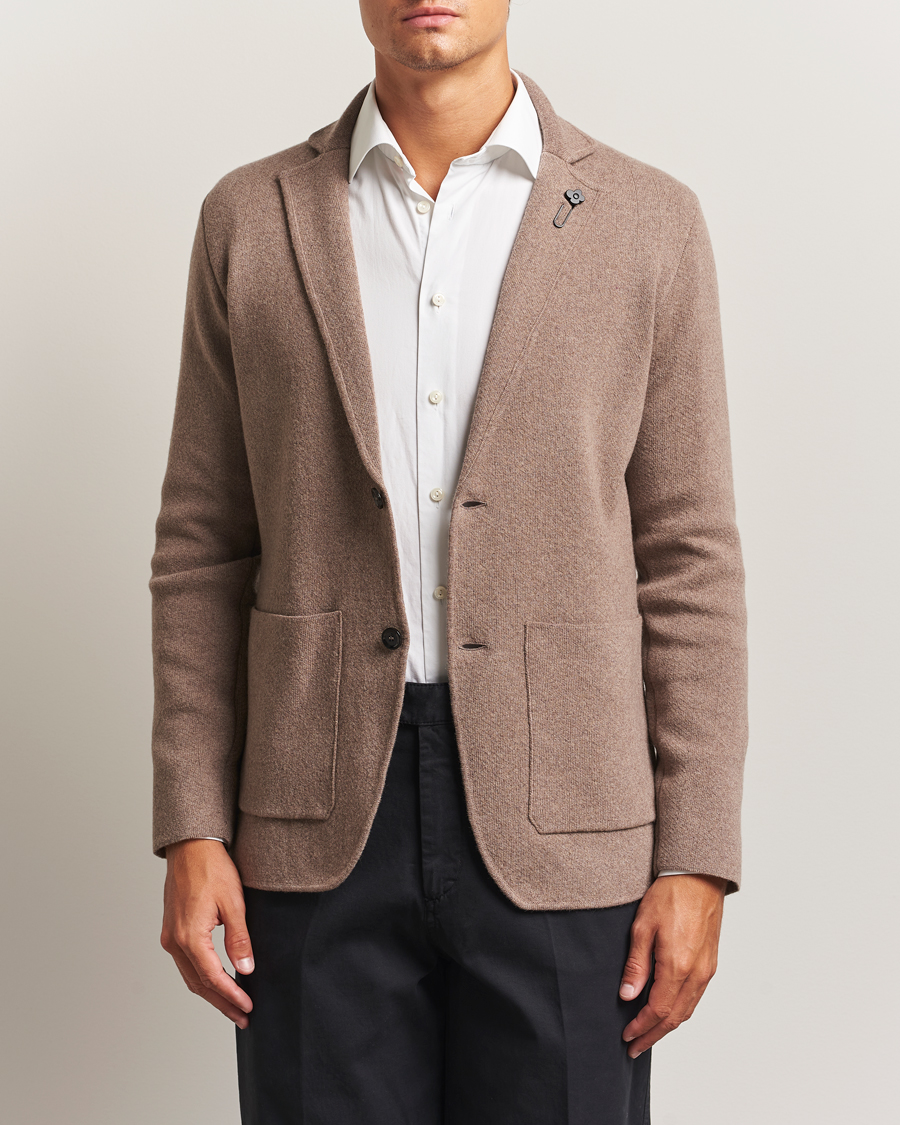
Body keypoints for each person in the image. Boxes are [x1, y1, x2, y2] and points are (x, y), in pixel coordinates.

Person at [150, 2, 748, 1122]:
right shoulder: (251, 217)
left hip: (571, 818)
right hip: (313, 811)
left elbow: (689, 557)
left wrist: (698, 853)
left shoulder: (648, 221)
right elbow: (201, 545)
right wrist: (192, 824)